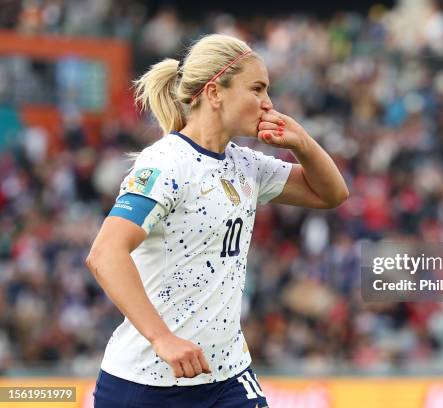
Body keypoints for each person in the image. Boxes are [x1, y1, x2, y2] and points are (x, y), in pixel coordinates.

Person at [86, 33, 349, 408]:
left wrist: (301, 142)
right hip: (147, 383)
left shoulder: (246, 165)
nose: (268, 103)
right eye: (257, 89)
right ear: (214, 93)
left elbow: (331, 194)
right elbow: (105, 253)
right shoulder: (166, 164)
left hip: (228, 377)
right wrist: (162, 338)